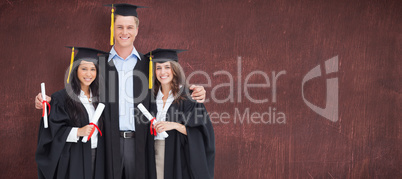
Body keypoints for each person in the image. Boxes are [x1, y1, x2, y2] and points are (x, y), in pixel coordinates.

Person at [35, 4, 207, 179]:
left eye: (130, 27)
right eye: (120, 27)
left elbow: (167, 86)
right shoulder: (99, 66)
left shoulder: (148, 65)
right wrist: (50, 102)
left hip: (142, 144)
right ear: (112, 28)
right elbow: (81, 92)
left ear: (137, 30)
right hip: (108, 144)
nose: (125, 32)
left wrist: (195, 92)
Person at [35, 47, 108, 179]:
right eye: (84, 69)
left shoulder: (101, 97)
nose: (89, 74)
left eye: (93, 69)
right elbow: (53, 131)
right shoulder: (61, 98)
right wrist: (78, 131)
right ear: (75, 70)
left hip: (99, 157)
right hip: (74, 159)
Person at [145, 49, 215, 179]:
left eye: (167, 67)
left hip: (177, 155)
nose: (163, 72)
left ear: (175, 70)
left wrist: (175, 126)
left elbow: (201, 132)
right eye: (158, 68)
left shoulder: (188, 97)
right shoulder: (150, 98)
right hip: (152, 153)